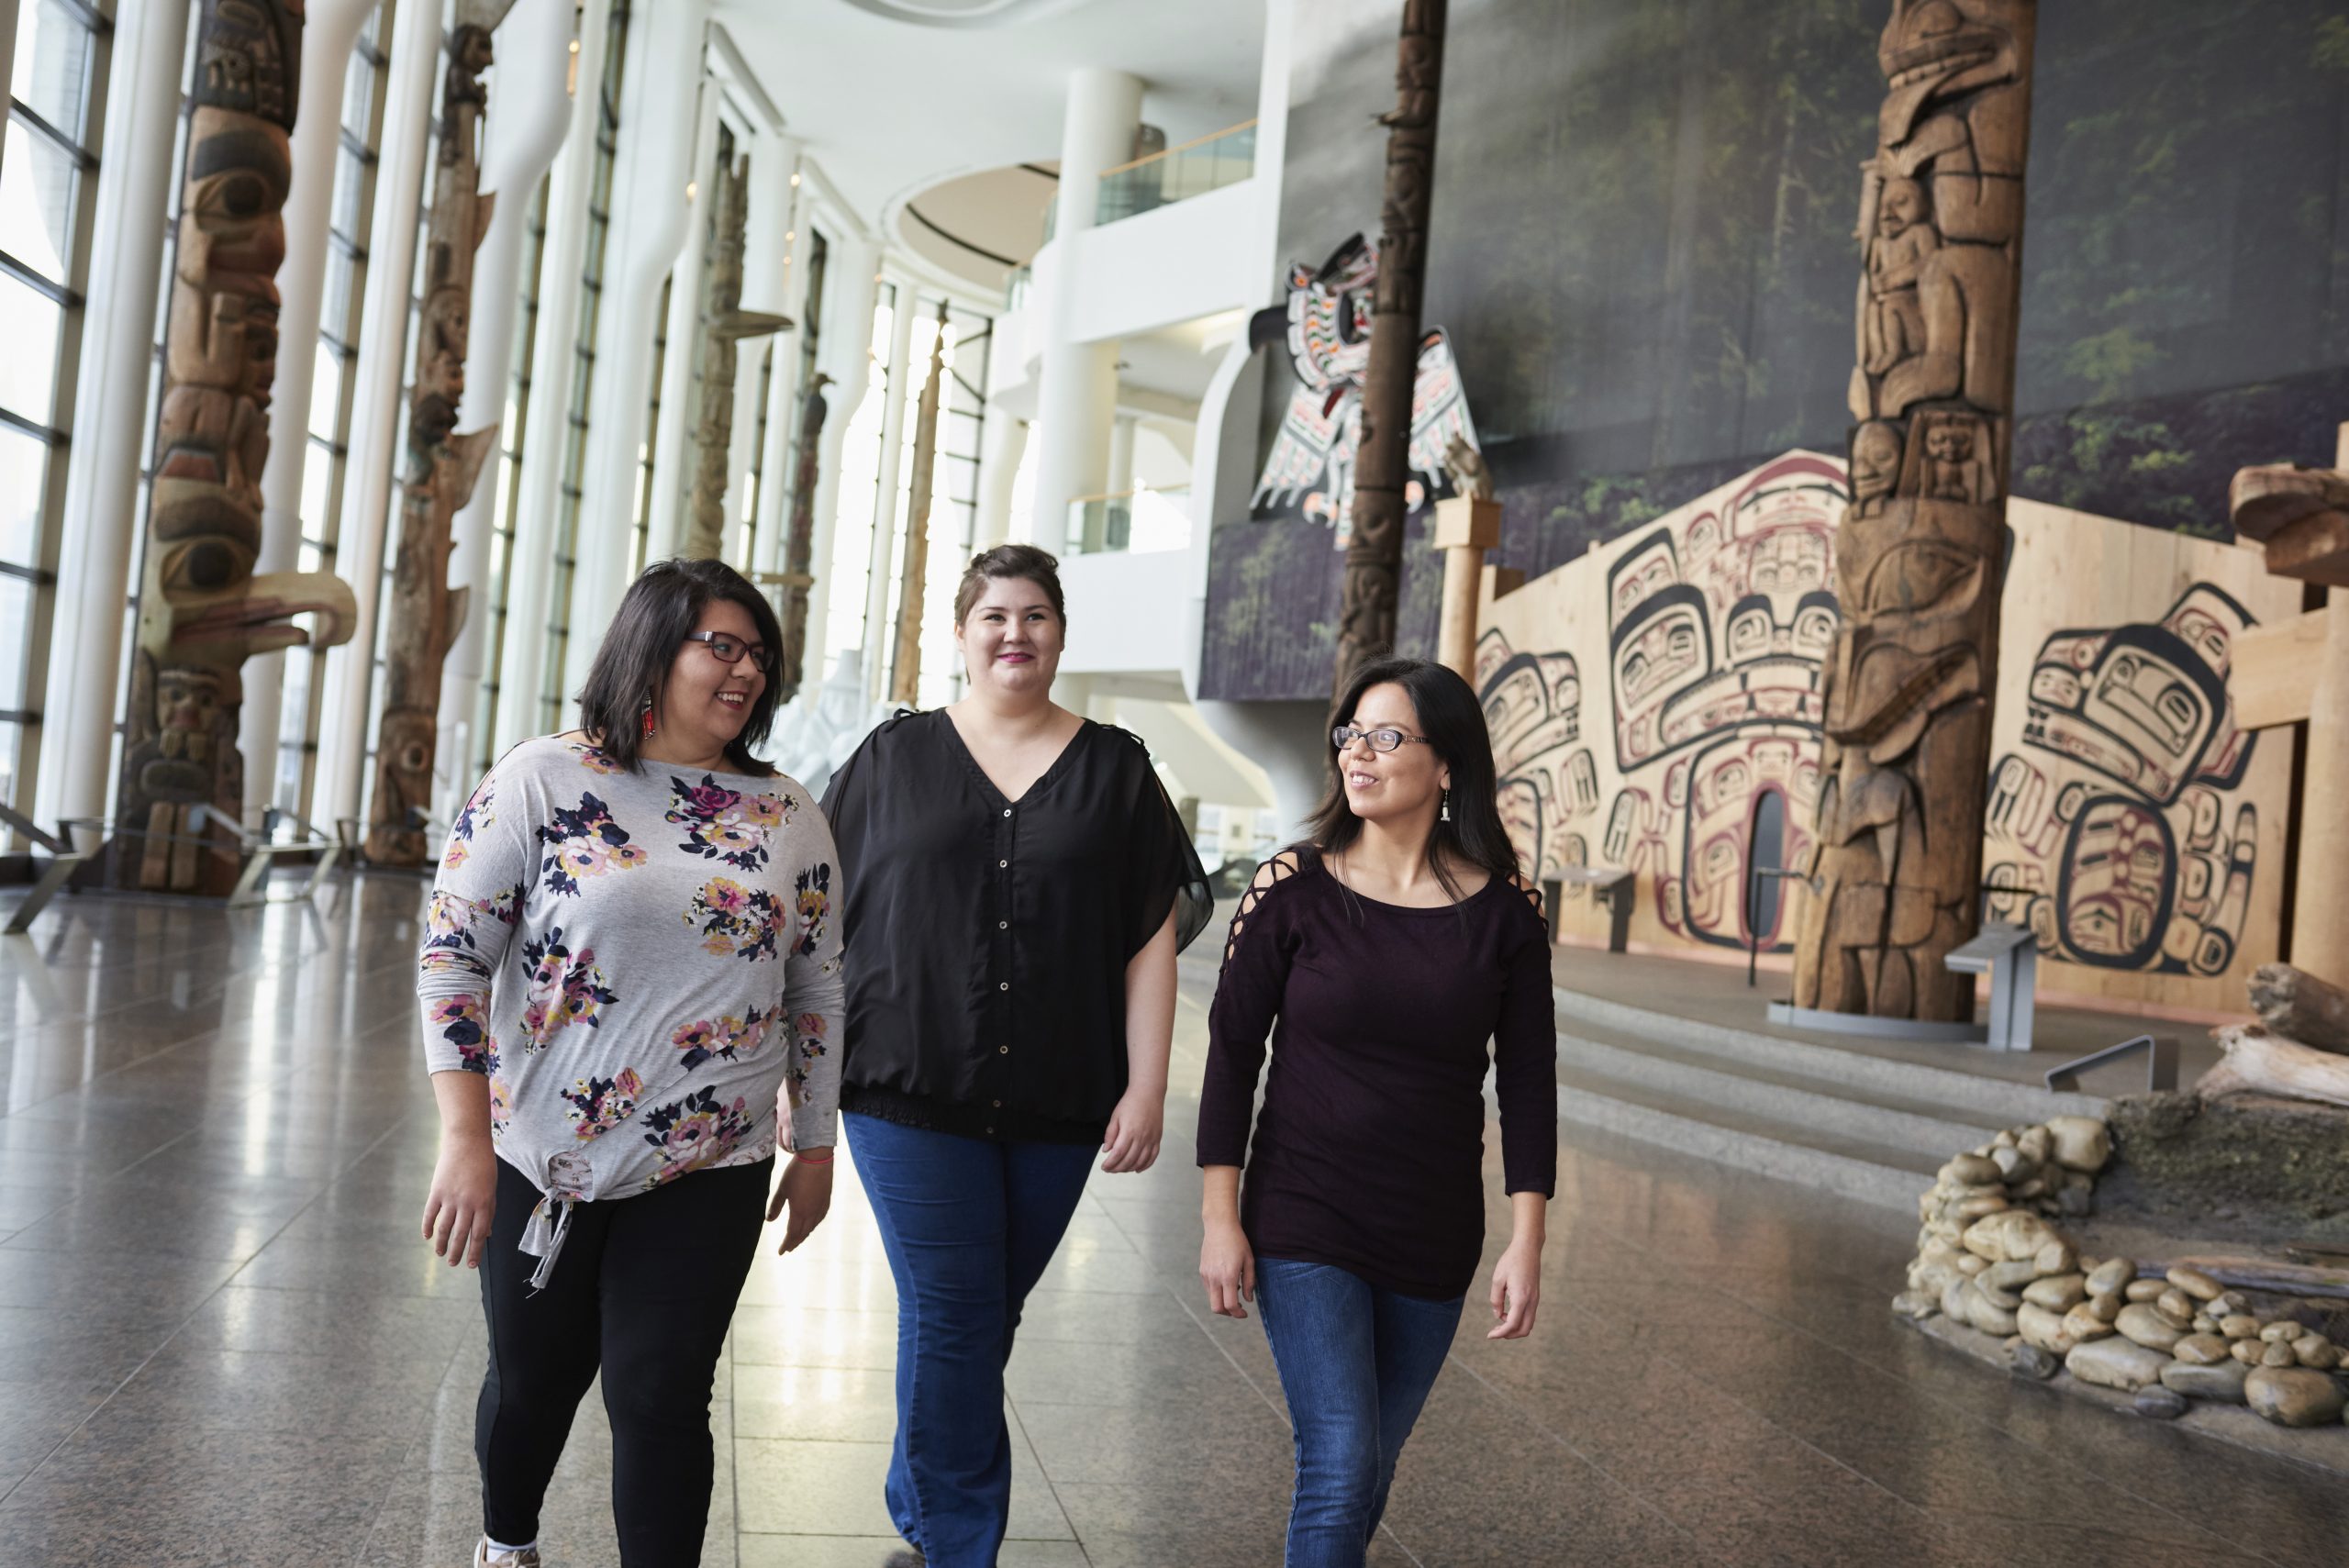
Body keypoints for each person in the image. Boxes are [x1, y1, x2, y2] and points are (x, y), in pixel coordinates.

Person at [416, 558, 845, 1568]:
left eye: (759, 654)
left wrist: (816, 1140)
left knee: (659, 1391)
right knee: (533, 1379)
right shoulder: (543, 777)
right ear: (652, 648)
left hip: (712, 1157)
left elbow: (818, 986)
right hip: (543, 1151)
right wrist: (464, 1137)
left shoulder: (789, 813)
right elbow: (452, 955)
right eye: (721, 646)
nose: (746, 671)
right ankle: (507, 1541)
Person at [821, 543, 1209, 1567]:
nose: (1014, 632)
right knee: (955, 1307)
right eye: (993, 614)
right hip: (903, 1083)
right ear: (961, 631)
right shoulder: (891, 758)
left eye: (1035, 614)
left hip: (1061, 1091)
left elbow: (1149, 936)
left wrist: (1147, 1084)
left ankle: (918, 1495)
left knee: (980, 1309)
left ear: (1060, 634)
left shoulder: (1118, 767)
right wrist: (796, 1066)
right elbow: (817, 920)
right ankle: (959, 1544)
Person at [1197, 656, 1556, 1568]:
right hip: (1303, 1209)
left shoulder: (1506, 912)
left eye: (1386, 735)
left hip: (1434, 1226)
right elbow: (1232, 1054)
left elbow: (1526, 1078)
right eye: (1351, 733)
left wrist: (1528, 1237)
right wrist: (1218, 1218)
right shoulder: (1292, 886)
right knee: (1342, 1450)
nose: (1359, 752)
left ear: (1447, 766)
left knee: (1368, 1462)